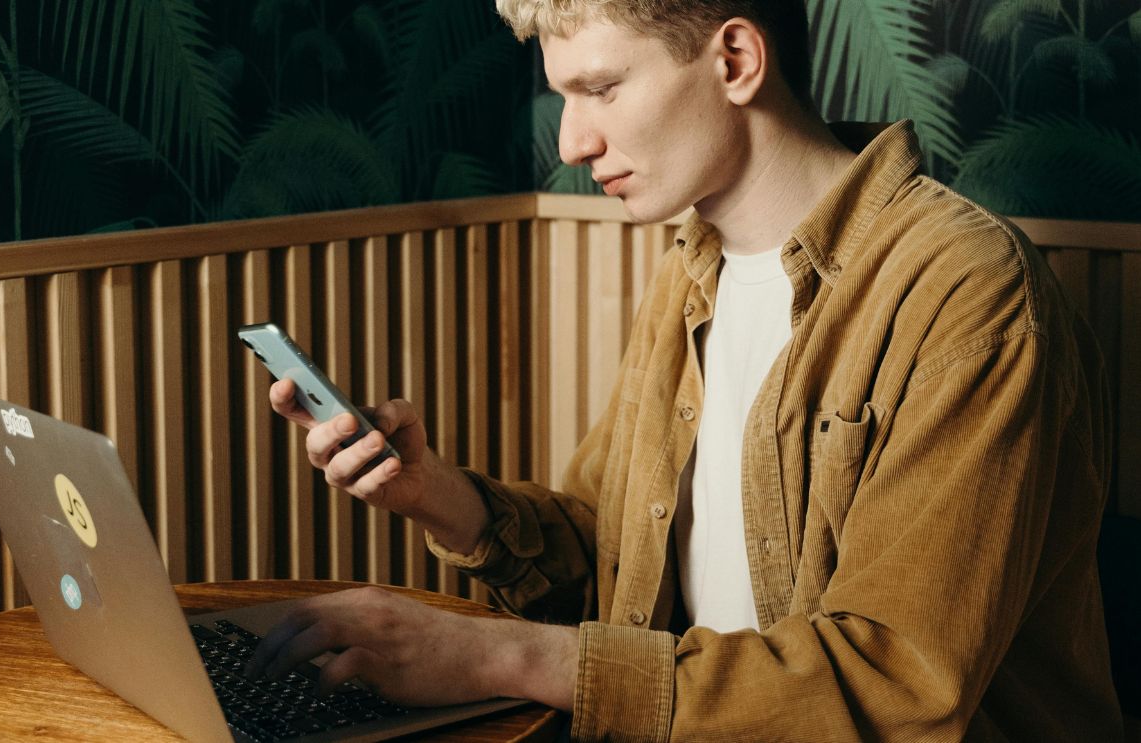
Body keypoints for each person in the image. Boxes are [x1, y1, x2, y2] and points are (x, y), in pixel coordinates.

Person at [247, 1, 1125, 739]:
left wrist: (493, 653)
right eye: (562, 96)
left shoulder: (968, 291)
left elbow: (894, 689)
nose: (573, 142)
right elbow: (610, 560)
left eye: (601, 87)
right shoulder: (689, 265)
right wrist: (435, 493)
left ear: (735, 59)